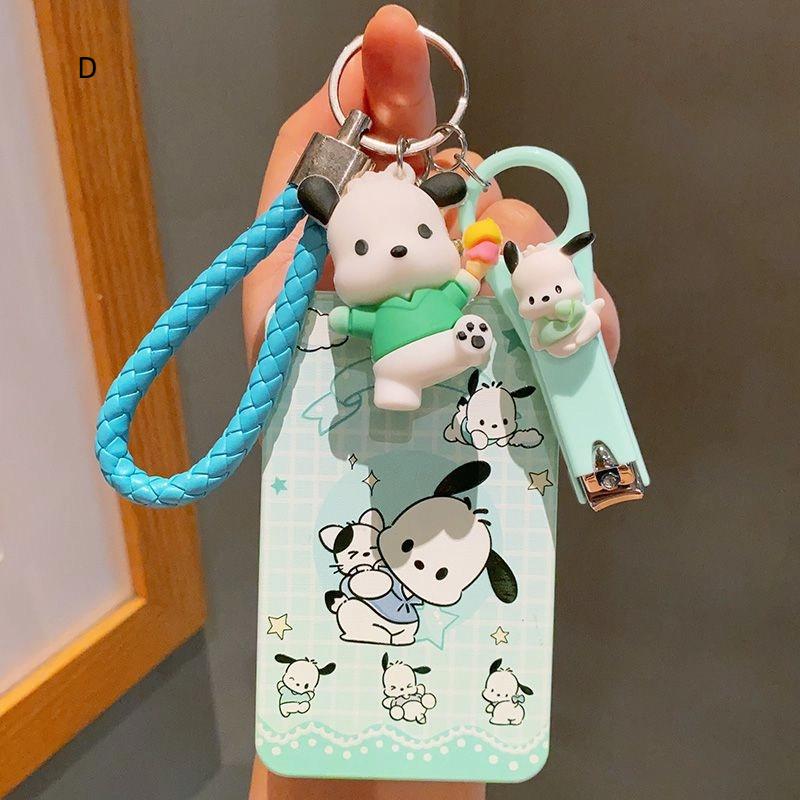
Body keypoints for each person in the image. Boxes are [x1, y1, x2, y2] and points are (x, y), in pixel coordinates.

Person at [242, 6, 620, 799]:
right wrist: (308, 330)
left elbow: (461, 269)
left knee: (506, 282)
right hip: (394, 362)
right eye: (366, 247)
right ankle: (457, 352)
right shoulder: (329, 296)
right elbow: (348, 316)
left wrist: (506, 290)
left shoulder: (448, 279)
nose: (393, 251)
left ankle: (472, 346)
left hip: (434, 347)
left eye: (413, 238)